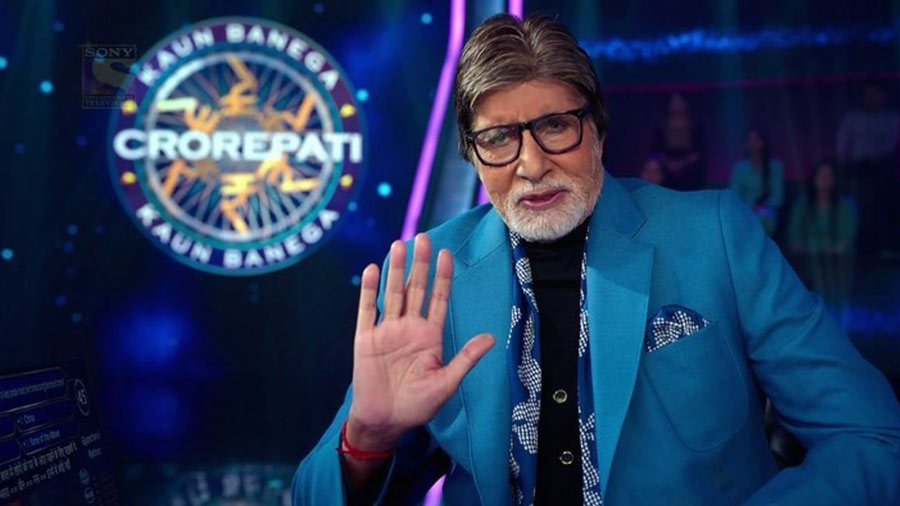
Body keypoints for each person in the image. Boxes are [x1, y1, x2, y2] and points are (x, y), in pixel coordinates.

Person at [293, 14, 900, 506]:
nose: (532, 165)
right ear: (473, 156)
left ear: (599, 132)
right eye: (499, 139)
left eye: (555, 126)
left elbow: (871, 437)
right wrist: (367, 438)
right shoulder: (433, 277)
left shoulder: (716, 236)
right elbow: (311, 496)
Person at [836, 82, 899, 253]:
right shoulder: (853, 117)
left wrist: (877, 157)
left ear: (883, 97)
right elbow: (841, 143)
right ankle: (859, 245)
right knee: (859, 207)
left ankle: (884, 247)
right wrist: (844, 161)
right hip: (857, 171)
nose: (872, 98)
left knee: (882, 209)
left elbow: (891, 145)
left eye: (876, 94)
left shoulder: (892, 118)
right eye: (869, 94)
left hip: (884, 170)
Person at [788, 161, 859, 313]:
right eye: (822, 176)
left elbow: (847, 237)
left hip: (837, 255)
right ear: (814, 179)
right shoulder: (801, 205)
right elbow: (794, 236)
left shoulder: (847, 206)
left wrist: (830, 251)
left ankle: (840, 307)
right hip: (809, 254)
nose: (825, 180)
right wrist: (807, 250)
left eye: (829, 176)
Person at [728, 128, 785, 235]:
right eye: (750, 140)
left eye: (756, 140)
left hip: (766, 212)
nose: (753, 144)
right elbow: (734, 195)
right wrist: (748, 207)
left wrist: (760, 206)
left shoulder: (775, 167)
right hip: (743, 210)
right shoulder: (739, 168)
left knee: (761, 219)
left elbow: (777, 198)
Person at [650, 93, 706, 191]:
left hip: (689, 169)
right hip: (666, 167)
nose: (676, 106)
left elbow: (699, 151)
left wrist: (681, 163)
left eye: (679, 102)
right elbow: (655, 150)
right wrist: (668, 163)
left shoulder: (694, 126)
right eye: (674, 103)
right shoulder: (662, 126)